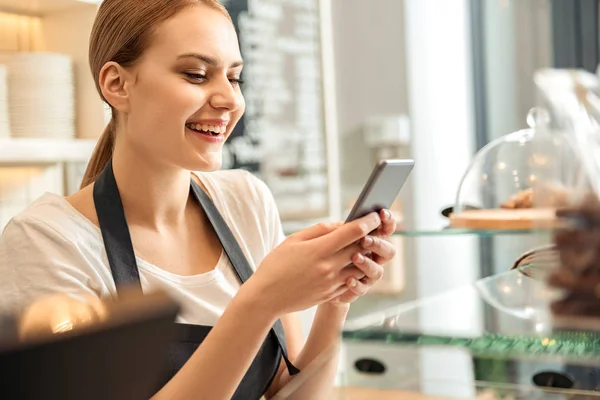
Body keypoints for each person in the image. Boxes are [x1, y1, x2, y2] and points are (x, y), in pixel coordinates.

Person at [0, 0, 397, 398]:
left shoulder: (246, 202)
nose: (229, 99)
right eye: (196, 74)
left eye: (235, 78)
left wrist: (337, 299)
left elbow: (288, 394)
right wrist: (258, 303)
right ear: (116, 84)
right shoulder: (46, 244)